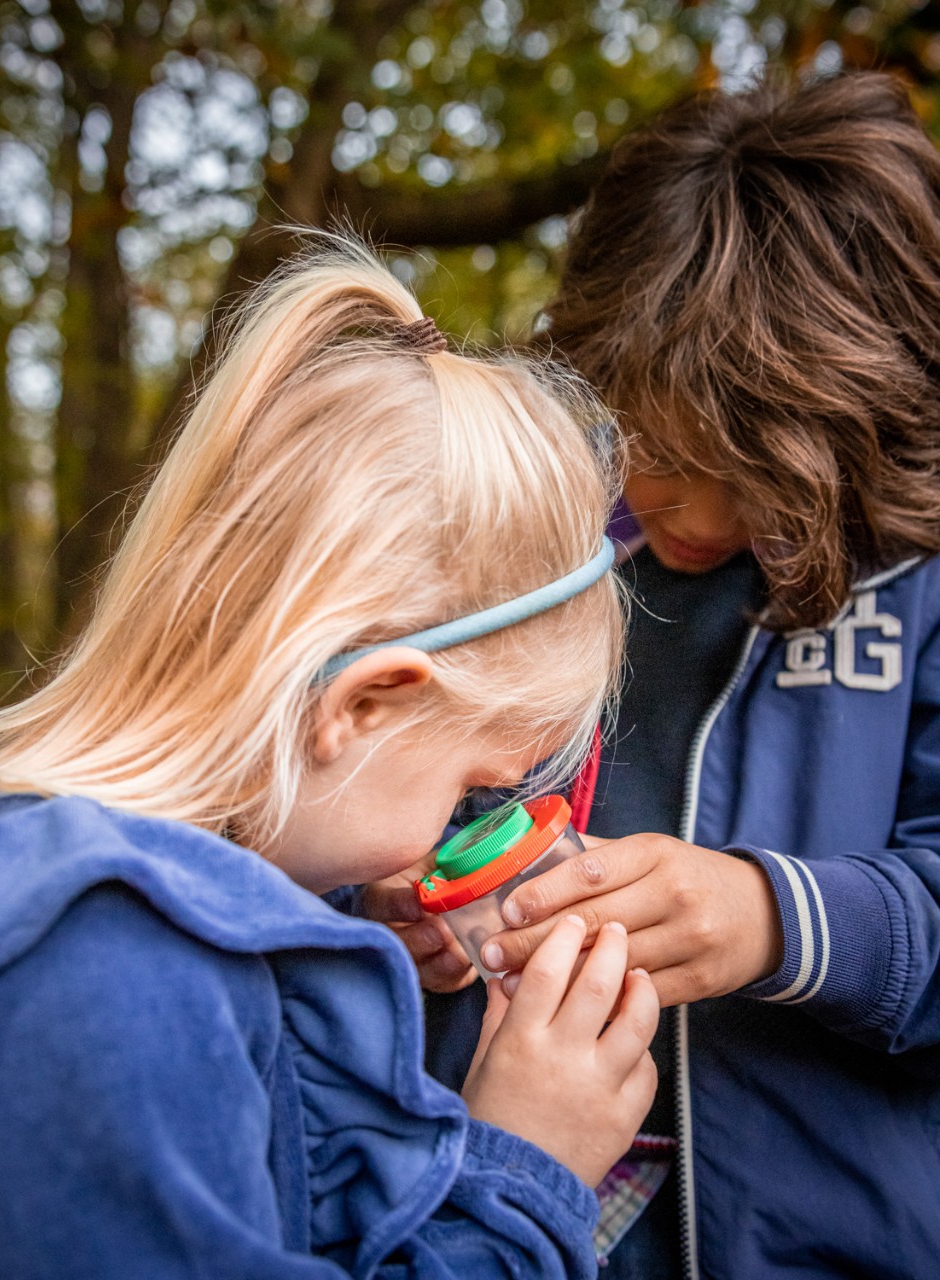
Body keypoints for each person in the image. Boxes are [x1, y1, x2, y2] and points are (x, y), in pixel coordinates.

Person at [0, 241, 660, 1279]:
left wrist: (337, 955)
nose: (448, 833)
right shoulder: (98, 985)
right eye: (469, 788)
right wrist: (522, 1169)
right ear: (362, 703)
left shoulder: (133, 924)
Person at [366, 73, 940, 1278]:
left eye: (753, 471)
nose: (686, 504)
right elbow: (402, 796)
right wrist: (401, 907)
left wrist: (775, 916)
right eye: (652, 445)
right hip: (517, 1219)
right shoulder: (529, 559)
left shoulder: (920, 583)